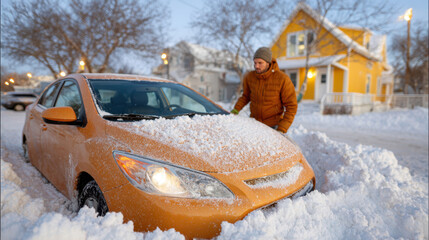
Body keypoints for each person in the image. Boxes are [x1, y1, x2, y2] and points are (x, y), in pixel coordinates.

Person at [231, 47, 297, 133]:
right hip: (254, 124)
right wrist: (235, 110)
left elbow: (291, 106)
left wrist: (282, 128)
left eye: (260, 63)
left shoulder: (282, 79)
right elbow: (246, 96)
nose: (256, 66)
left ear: (268, 63)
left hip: (273, 127)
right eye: (255, 63)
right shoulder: (250, 77)